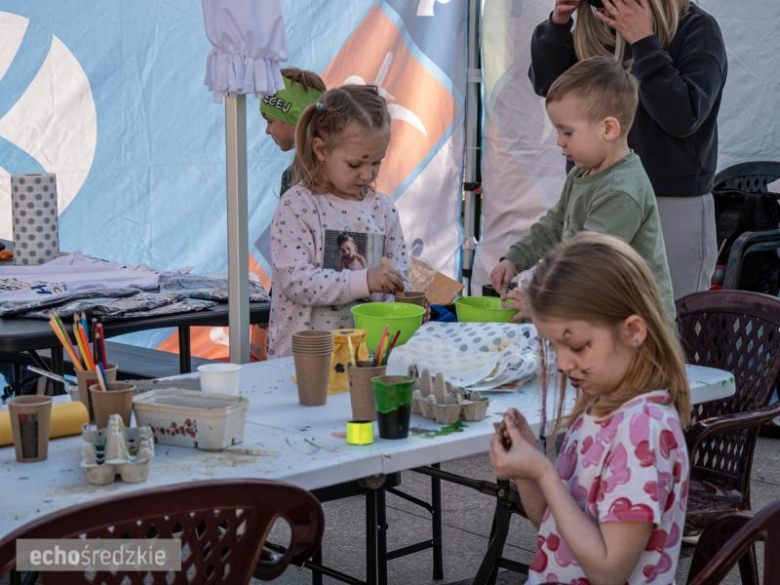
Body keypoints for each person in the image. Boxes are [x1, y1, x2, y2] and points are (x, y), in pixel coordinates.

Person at [491, 231, 690, 584]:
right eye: (554, 347)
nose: (564, 363)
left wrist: (544, 472)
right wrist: (527, 470)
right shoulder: (598, 409)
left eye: (578, 346)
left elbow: (609, 570)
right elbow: (556, 527)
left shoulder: (642, 430)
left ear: (633, 331)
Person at [528, 0, 727, 299]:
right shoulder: (597, 25)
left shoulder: (697, 29)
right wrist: (558, 22)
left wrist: (644, 42)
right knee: (593, 308)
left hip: (669, 201)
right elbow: (550, 86)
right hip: (597, 192)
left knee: (668, 319)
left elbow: (683, 116)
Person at [490, 57, 675, 321]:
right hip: (599, 315)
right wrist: (514, 259)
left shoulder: (620, 191)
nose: (559, 141)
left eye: (567, 132)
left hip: (638, 326)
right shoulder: (582, 172)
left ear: (608, 129)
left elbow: (590, 265)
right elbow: (554, 226)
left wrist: (541, 301)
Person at [267, 85, 409, 358]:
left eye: (376, 162)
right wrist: (365, 280)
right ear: (321, 150)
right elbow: (296, 281)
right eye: (355, 164)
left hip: (366, 360)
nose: (367, 174)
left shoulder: (383, 209)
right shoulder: (298, 205)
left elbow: (399, 277)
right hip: (303, 362)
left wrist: (405, 300)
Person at [259, 67, 326, 196]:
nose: (267, 131)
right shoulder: (345, 165)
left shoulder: (293, 176)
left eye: (270, 121)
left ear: (295, 119)